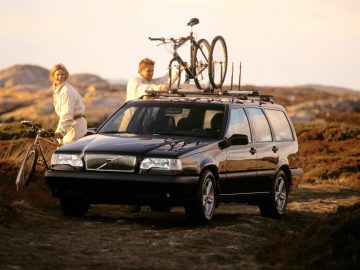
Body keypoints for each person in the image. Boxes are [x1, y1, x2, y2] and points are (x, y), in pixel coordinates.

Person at [50, 63, 87, 144]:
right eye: (58, 74)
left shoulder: (66, 91)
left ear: (66, 75)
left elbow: (67, 114)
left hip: (75, 127)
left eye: (62, 74)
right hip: (69, 125)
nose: (60, 77)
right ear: (53, 76)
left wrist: (60, 131)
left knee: (68, 153)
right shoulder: (58, 90)